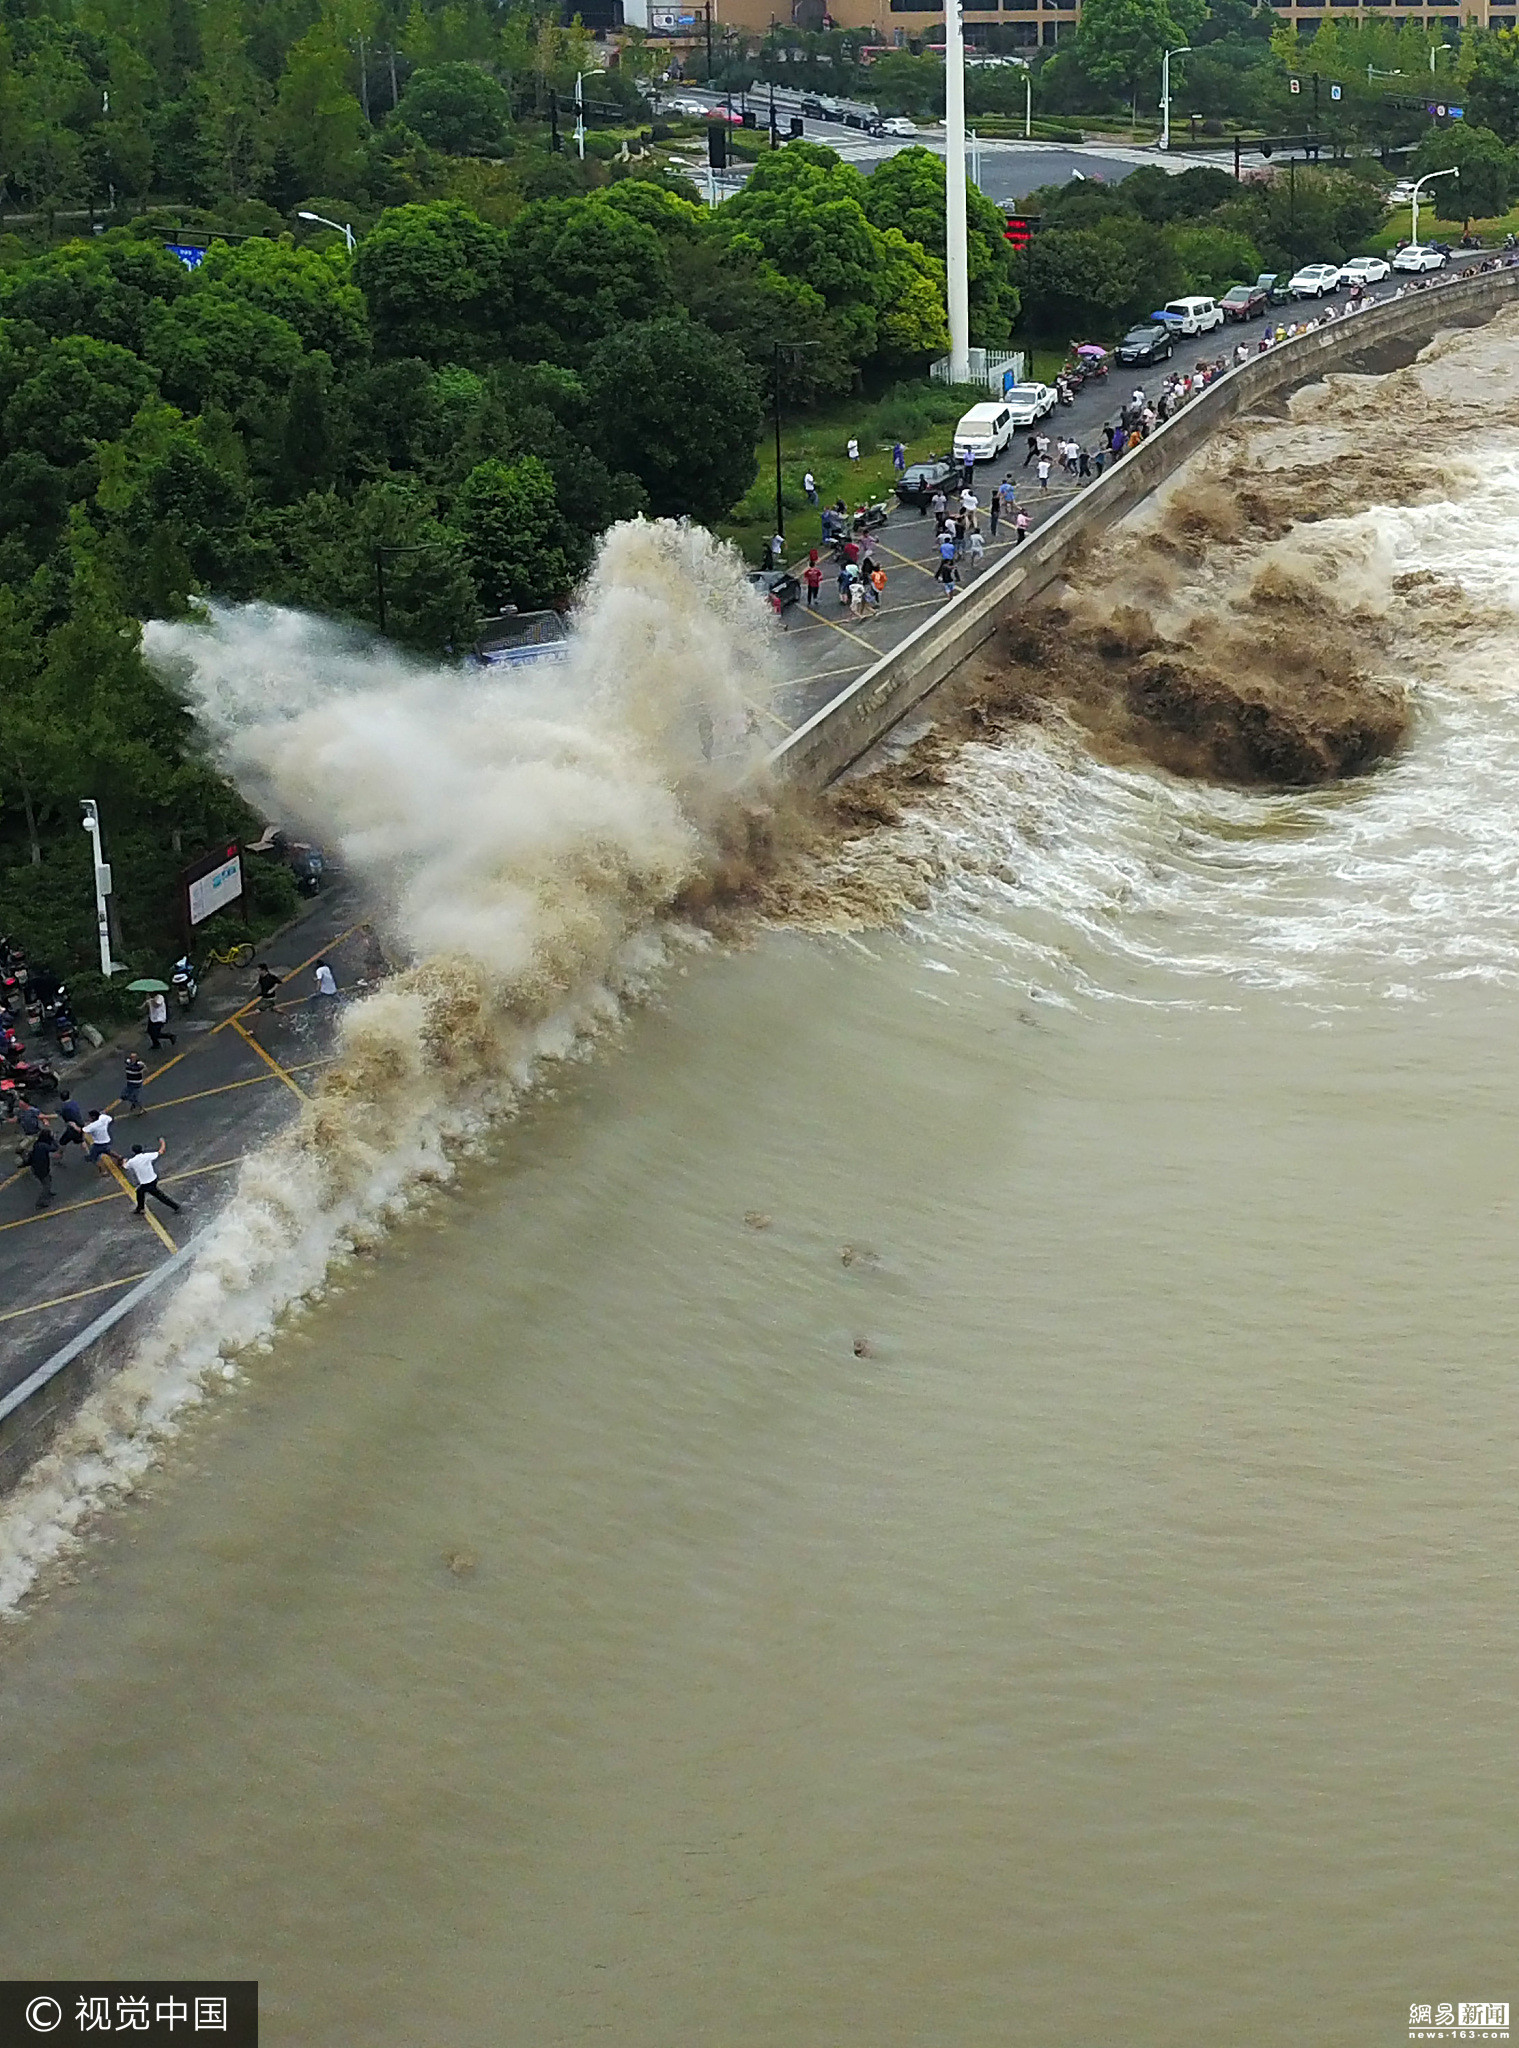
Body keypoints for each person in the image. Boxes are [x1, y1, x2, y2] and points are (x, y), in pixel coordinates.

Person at [124, 1139, 181, 1218]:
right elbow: (161, 1151)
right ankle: (140, 1208)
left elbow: (125, 1166)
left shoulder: (132, 1161)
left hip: (145, 1183)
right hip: (153, 1179)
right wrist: (163, 1142)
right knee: (140, 1192)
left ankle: (175, 1206)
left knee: (157, 1196)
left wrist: (124, 1161)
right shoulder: (147, 1156)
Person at [27, 1122, 57, 1210]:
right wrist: (53, 1140)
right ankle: (41, 1202)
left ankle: (48, 1193)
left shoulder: (37, 1144)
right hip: (41, 1169)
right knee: (46, 1184)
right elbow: (55, 1148)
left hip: (37, 1168)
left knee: (48, 1179)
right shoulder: (44, 1146)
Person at [83, 1107, 121, 1175]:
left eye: (90, 1117)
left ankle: (103, 1171)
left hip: (98, 1144)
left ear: (93, 1117)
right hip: (107, 1140)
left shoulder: (93, 1126)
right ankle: (119, 1157)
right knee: (108, 1150)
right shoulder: (103, 1118)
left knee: (94, 1158)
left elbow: (84, 1130)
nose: (88, 1118)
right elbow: (110, 1119)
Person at [56, 1093, 86, 1159]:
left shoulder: (64, 1107)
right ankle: (59, 1154)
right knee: (80, 1140)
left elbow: (58, 1115)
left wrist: (43, 1116)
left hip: (73, 1127)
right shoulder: (74, 1103)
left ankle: (59, 1154)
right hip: (79, 1124)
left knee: (63, 1141)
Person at [123, 1049, 146, 1114]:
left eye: (134, 1057)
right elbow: (126, 1060)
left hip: (137, 1083)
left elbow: (143, 1068)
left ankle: (141, 1108)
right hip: (130, 1083)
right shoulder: (129, 1062)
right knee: (127, 1096)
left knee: (136, 1097)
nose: (132, 1058)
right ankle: (135, 1104)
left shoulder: (139, 1065)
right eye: (131, 1057)